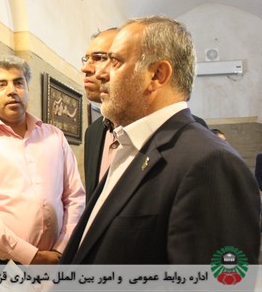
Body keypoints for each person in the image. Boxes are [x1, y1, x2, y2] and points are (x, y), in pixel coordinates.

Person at [60, 15, 260, 264]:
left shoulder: (211, 163)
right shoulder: (131, 145)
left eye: (115, 62)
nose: (100, 74)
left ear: (157, 75)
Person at [0, 55, 85, 265]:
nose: (12, 91)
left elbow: (75, 196)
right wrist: (31, 256)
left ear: (27, 89)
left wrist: (62, 248)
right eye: (1, 85)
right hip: (0, 262)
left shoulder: (55, 137)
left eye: (18, 83)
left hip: (58, 257)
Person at [81, 28, 118, 201]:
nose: (85, 68)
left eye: (99, 58)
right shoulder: (93, 133)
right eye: (86, 59)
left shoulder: (179, 136)